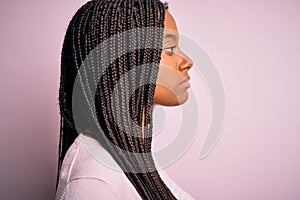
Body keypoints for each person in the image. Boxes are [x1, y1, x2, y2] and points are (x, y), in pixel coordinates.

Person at [56, 0, 194, 199]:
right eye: (170, 49)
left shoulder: (128, 153)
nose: (188, 62)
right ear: (122, 59)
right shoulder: (93, 181)